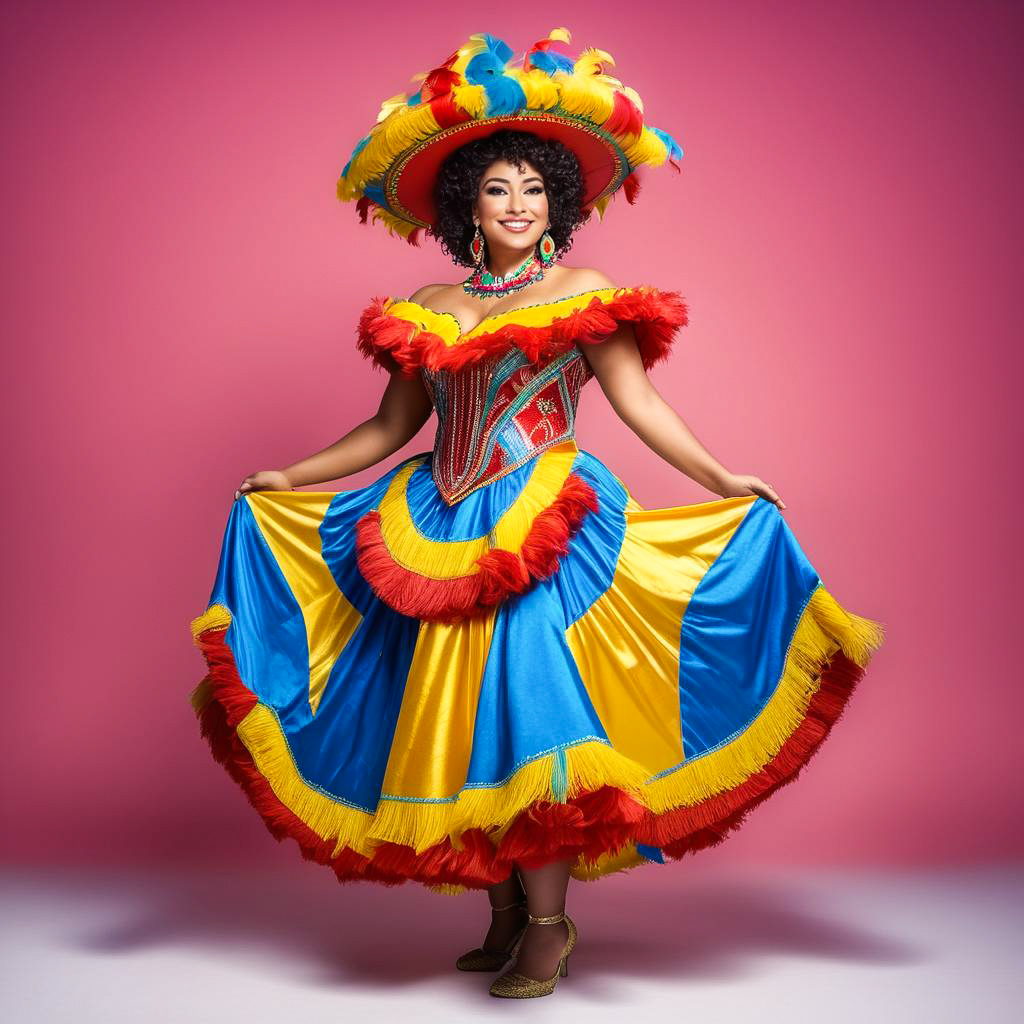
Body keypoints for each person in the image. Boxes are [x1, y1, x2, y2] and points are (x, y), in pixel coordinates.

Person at [190, 29, 885, 999]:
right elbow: (390, 425)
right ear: (465, 202)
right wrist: (290, 472)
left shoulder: (583, 295)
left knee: (530, 715)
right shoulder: (430, 301)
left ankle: (549, 925)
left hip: (541, 523)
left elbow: (640, 406)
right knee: (464, 718)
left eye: (532, 189)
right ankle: (506, 906)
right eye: (495, 189)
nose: (515, 205)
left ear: (558, 199)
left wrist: (725, 478)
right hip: (434, 521)